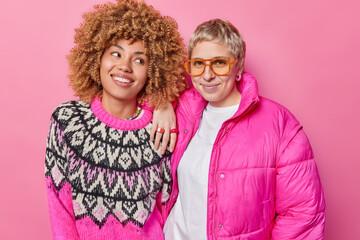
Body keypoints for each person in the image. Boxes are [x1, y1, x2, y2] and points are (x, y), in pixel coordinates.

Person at [161, 19, 325, 239]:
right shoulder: (181, 113)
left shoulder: (279, 124)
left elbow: (302, 213)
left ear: (237, 67)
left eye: (219, 63)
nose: (207, 75)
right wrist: (161, 104)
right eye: (198, 63)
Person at [44, 0, 187, 239]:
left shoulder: (161, 129)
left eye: (139, 60)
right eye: (116, 53)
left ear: (154, 72)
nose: (125, 66)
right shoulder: (67, 120)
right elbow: (59, 207)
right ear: (97, 57)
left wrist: (164, 102)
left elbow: (167, 208)